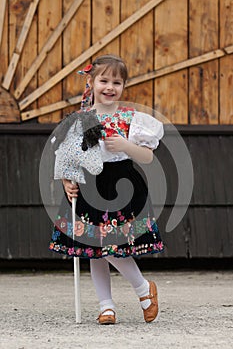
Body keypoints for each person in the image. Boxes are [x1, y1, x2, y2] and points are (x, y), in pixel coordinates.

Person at [50, 54, 164, 324]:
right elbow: (66, 155)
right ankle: (106, 305)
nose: (110, 87)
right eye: (103, 80)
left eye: (117, 82)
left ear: (124, 86)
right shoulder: (79, 119)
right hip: (89, 186)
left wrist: (126, 146)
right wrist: (67, 181)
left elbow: (147, 157)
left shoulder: (130, 118)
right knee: (94, 249)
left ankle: (142, 289)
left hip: (121, 184)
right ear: (91, 81)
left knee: (111, 245)